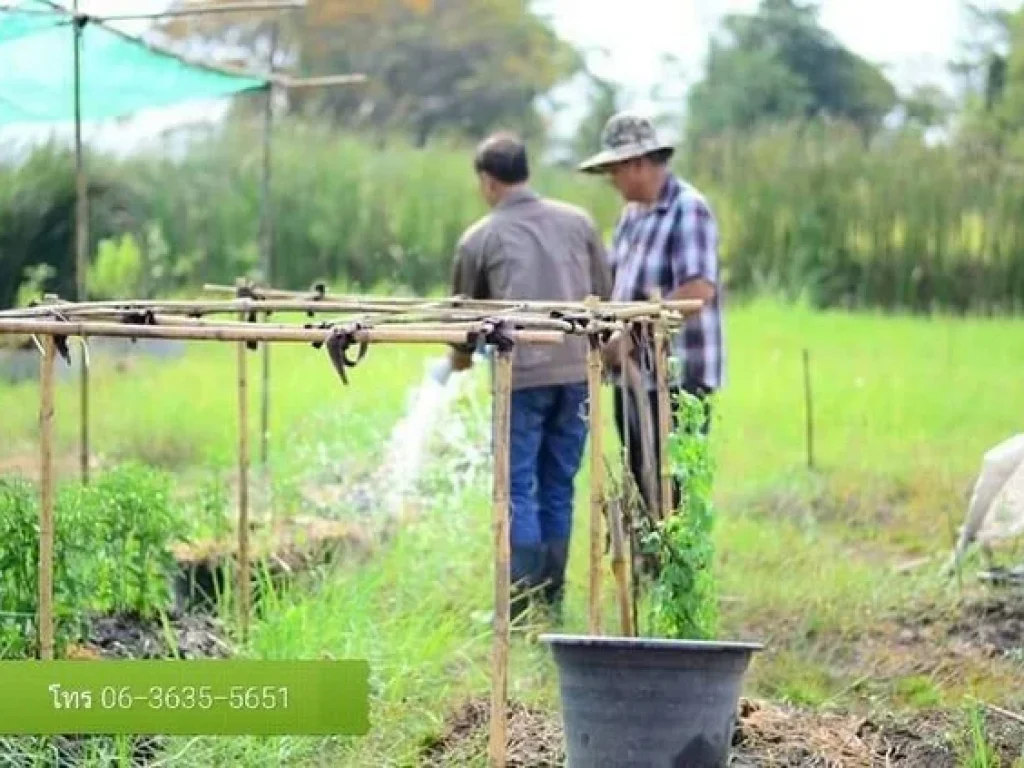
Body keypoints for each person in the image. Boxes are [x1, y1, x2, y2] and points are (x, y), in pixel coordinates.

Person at [447, 131, 613, 624]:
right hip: (577, 374)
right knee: (558, 482)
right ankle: (551, 600)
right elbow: (605, 296)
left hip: (522, 377)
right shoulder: (578, 222)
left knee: (518, 485)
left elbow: (463, 323)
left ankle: (519, 606)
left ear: (487, 180)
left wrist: (456, 362)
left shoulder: (481, 237)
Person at [578, 112, 724, 518]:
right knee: (640, 482)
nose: (612, 181)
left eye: (615, 171)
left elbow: (698, 292)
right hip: (633, 375)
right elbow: (614, 284)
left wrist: (632, 334)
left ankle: (673, 575)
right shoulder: (631, 217)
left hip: (678, 378)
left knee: (673, 485)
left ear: (638, 164)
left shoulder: (687, 209)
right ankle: (645, 576)